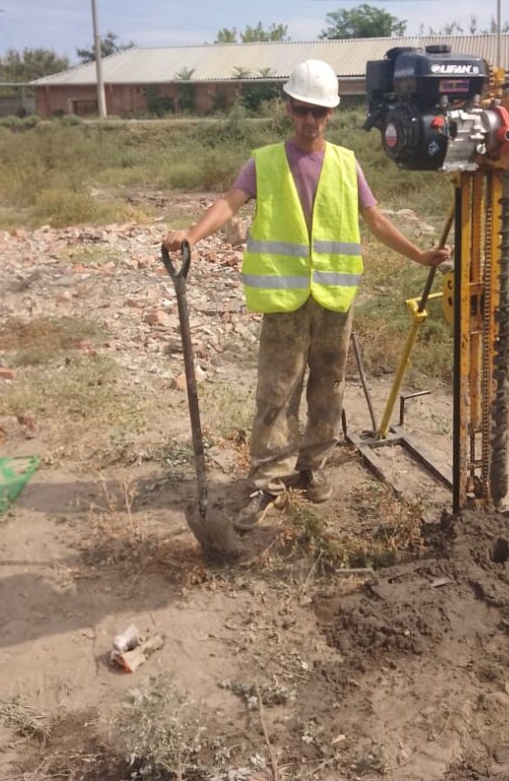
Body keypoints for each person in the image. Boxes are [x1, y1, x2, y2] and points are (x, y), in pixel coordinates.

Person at [163, 59, 450, 531]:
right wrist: (191, 236)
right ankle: (268, 480)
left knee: (328, 387)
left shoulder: (346, 164)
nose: (309, 120)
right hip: (285, 299)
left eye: (318, 111)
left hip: (334, 298)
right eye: (301, 109)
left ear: (331, 113)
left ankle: (311, 465)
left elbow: (375, 219)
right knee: (277, 391)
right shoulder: (264, 162)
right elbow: (229, 202)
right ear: (288, 108)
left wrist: (419, 255)